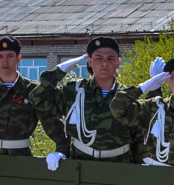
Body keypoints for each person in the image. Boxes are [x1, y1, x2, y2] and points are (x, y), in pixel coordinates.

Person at [31, 37, 141, 167]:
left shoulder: (128, 96)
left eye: (110, 59)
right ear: (89, 62)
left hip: (119, 164)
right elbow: (37, 99)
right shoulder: (74, 92)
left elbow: (140, 135)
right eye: (98, 58)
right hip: (80, 162)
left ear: (118, 62)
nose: (104, 63)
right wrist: (59, 71)